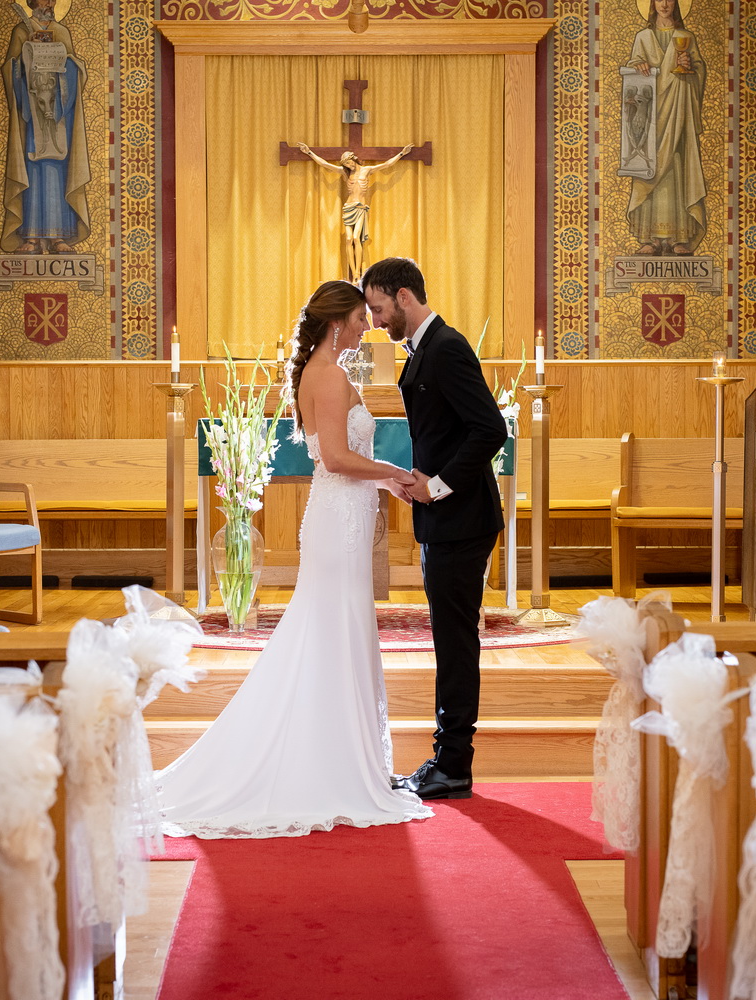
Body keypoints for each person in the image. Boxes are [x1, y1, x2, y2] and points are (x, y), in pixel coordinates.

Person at [155, 280, 431, 838]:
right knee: (331, 629)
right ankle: (329, 766)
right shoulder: (327, 376)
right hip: (338, 518)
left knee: (336, 631)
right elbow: (335, 458)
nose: (366, 327)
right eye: (359, 319)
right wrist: (397, 476)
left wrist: (385, 485)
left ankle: (334, 754)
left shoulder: (323, 373)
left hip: (343, 516)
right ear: (336, 323)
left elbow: (341, 458)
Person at [362, 257, 508, 801]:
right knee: (448, 642)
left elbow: (490, 429)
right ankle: (446, 760)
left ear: (404, 297)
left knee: (454, 643)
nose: (375, 321)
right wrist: (416, 482)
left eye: (378, 308)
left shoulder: (446, 347)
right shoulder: (424, 349)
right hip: (444, 519)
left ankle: (453, 766)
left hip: (461, 520)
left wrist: (438, 486)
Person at [0, 0, 91, 255]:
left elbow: (76, 69)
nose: (48, 2)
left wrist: (63, 61)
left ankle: (57, 238)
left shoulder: (61, 32)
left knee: (56, 171)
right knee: (33, 170)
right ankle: (30, 237)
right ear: (31, 2)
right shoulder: (21, 31)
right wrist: (27, 56)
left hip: (58, 116)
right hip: (31, 118)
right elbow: (10, 69)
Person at [627, 0, 706, 256]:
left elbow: (698, 72)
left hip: (678, 113)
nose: (664, 4)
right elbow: (631, 78)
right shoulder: (643, 37)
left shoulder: (686, 37)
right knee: (649, 168)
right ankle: (649, 238)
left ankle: (677, 237)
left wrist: (691, 68)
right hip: (651, 119)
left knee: (675, 168)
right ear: (651, 4)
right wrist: (637, 65)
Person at [295, 143, 414, 282]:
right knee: (348, 239)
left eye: (349, 163)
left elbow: (386, 165)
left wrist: (402, 153)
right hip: (348, 207)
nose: (349, 166)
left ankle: (357, 273)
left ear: (353, 159)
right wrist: (308, 152)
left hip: (360, 208)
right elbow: (325, 164)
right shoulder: (346, 173)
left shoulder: (366, 170)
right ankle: (352, 272)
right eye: (346, 164)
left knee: (357, 238)